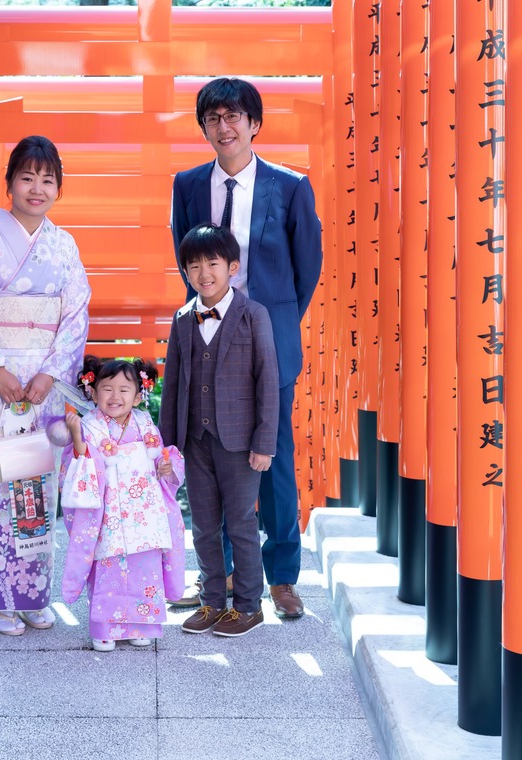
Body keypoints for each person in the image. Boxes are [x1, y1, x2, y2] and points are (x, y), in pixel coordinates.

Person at [169, 77, 323, 618]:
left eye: (234, 117)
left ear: (254, 124)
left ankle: (281, 576)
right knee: (214, 457)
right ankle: (227, 573)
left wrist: (267, 324)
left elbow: (308, 269)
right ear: (204, 128)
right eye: (213, 118)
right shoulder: (188, 186)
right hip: (209, 340)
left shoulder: (289, 186)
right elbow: (187, 261)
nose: (224, 127)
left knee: (271, 456)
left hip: (270, 339)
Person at [0, 135, 91, 636]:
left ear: (58, 189)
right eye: (27, 177)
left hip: (39, 391)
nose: (37, 188)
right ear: (9, 183)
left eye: (47, 179)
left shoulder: (64, 246)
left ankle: (29, 594)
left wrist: (50, 373)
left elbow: (74, 315)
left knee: (33, 492)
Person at [158, 224, 279, 637]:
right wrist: (168, 446)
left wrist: (265, 443)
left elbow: (267, 381)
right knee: (204, 524)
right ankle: (212, 601)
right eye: (194, 265)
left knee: (242, 522)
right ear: (186, 272)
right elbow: (173, 384)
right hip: (196, 441)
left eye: (213, 263)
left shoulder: (253, 315)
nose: (204, 272)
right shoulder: (182, 318)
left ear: (232, 267)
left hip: (241, 441)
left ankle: (247, 605)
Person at [59, 357, 187, 652]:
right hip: (109, 512)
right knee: (109, 571)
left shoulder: (144, 421)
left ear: (139, 394)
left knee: (145, 570)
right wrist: (77, 436)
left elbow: (159, 458)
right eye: (107, 389)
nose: (115, 396)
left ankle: (141, 624)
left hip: (144, 511)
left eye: (124, 390)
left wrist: (166, 468)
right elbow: (83, 460)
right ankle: (105, 627)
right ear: (93, 392)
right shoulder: (90, 424)